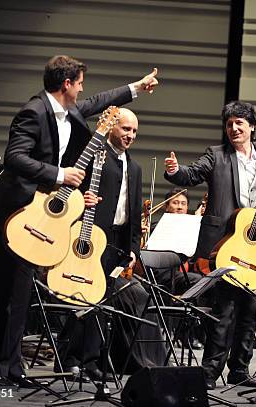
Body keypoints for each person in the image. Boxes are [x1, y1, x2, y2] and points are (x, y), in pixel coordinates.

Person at [0, 55, 159, 387]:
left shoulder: (69, 110)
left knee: (21, 297)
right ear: (67, 84)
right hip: (15, 216)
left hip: (39, 220)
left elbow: (98, 102)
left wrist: (136, 87)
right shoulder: (33, 112)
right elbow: (15, 157)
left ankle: (13, 369)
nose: (82, 90)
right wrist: (61, 174)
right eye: (79, 83)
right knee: (3, 295)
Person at [164, 100, 256, 390]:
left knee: (250, 311)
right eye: (229, 124)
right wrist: (174, 171)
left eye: (239, 123)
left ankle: (239, 370)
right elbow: (190, 174)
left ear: (252, 126)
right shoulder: (216, 156)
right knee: (223, 311)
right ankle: (209, 372)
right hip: (226, 243)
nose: (233, 128)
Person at [57, 108, 167, 377]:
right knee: (82, 297)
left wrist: (133, 249)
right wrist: (81, 201)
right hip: (89, 237)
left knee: (103, 302)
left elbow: (132, 210)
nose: (130, 135)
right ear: (112, 128)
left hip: (117, 241)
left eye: (134, 131)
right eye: (126, 129)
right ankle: (70, 357)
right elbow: (69, 190)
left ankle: (93, 361)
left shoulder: (135, 166)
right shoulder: (94, 156)